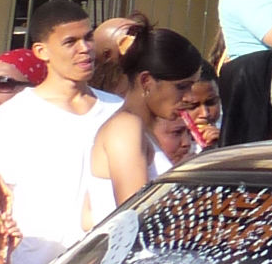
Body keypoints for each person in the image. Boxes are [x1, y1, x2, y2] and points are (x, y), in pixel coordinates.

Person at [0, 2, 117, 264]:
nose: (85, 49)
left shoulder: (118, 112)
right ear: (42, 51)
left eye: (88, 38)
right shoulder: (11, 118)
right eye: (70, 42)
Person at [85, 27, 206, 227]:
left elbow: (87, 216)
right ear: (146, 81)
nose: (190, 97)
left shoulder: (136, 128)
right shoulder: (125, 127)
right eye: (182, 86)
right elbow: (137, 218)